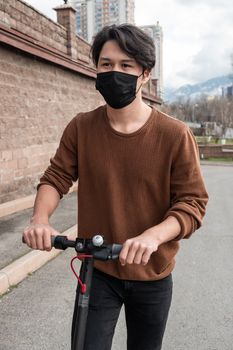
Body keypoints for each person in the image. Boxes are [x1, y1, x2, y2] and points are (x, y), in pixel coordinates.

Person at [23, 24, 208, 350]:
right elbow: (56, 178)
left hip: (152, 274)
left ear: (145, 74)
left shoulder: (175, 135)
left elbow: (191, 203)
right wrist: (40, 219)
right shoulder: (82, 127)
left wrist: (153, 236)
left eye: (126, 66)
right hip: (98, 271)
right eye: (106, 64)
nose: (114, 72)